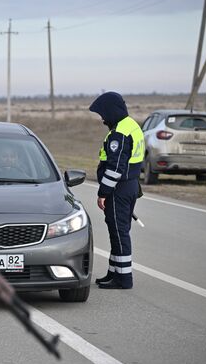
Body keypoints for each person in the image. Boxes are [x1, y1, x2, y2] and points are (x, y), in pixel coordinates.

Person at [89, 92, 144, 289]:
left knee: (119, 232)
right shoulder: (131, 125)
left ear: (111, 111)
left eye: (103, 114)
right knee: (117, 231)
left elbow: (115, 168)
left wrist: (103, 193)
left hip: (119, 188)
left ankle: (123, 278)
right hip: (130, 185)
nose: (102, 119)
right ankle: (114, 272)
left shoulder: (119, 134)